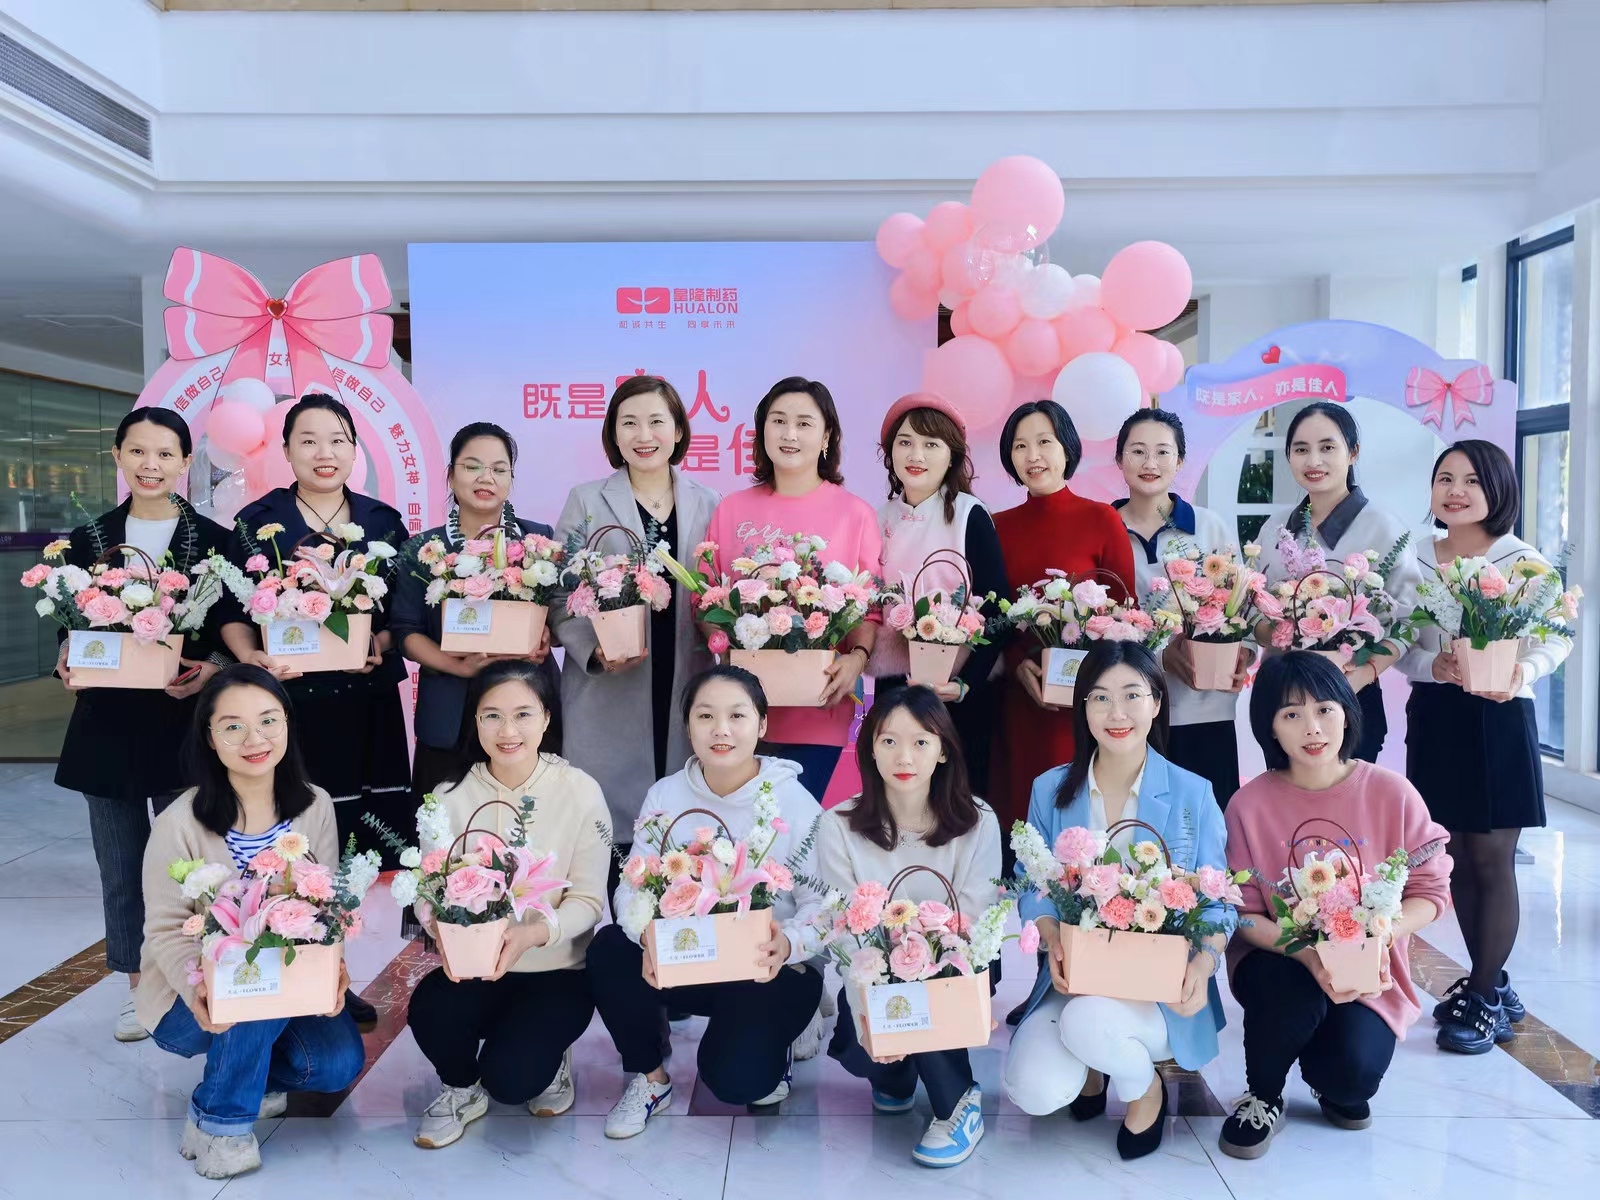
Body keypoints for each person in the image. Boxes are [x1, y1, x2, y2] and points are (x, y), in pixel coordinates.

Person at [1004, 641, 1233, 1161]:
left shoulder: (1192, 792)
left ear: (1157, 703)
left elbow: (1218, 902)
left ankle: (1141, 1087)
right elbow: (1031, 883)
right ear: (1082, 707)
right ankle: (1092, 1065)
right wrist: (1050, 934)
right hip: (1078, 976)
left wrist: (1203, 964)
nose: (1117, 713)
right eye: (1101, 698)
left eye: (1133, 695)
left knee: (1085, 1022)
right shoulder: (1050, 790)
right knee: (1033, 1090)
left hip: (1160, 989)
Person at [135, 665, 364, 1180]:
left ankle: (241, 1077)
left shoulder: (315, 806)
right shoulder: (179, 823)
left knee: (335, 1064)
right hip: (188, 997)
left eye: (268, 720)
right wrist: (201, 990)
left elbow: (327, 907)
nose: (254, 739)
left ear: (287, 723)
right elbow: (165, 929)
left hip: (286, 982)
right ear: (209, 737)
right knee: (248, 970)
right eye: (233, 726)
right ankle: (223, 1126)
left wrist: (336, 969)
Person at [1218, 652, 1451, 1159]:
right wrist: (1307, 954)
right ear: (1270, 727)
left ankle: (1327, 1074)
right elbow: (1241, 913)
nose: (1313, 728)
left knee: (1352, 1081)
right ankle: (1263, 1095)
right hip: (1279, 957)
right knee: (1291, 1001)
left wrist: (1386, 930)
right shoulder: (1248, 805)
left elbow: (1431, 893)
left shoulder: (1392, 793)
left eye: (1324, 709)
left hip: (1365, 970)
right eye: (1291, 714)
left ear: (1347, 712)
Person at [52, 407, 233, 1043]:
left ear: (185, 462)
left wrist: (213, 668)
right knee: (121, 864)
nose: (150, 465)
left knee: (194, 864)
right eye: (137, 452)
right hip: (106, 725)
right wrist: (66, 656)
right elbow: (67, 622)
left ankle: (201, 979)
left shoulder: (215, 540)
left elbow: (236, 628)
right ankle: (137, 988)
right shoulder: (86, 540)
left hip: (187, 723)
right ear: (117, 456)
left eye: (164, 454)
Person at [587, 665, 825, 1136]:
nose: (721, 730)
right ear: (688, 725)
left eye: (737, 715)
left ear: (762, 724)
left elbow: (824, 906)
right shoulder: (666, 794)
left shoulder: (794, 802)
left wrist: (789, 944)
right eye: (705, 716)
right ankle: (650, 1077)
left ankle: (775, 1043)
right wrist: (646, 935)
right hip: (689, 959)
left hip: (765, 971)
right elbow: (631, 886)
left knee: (737, 1082)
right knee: (609, 948)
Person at [1400, 441, 1570, 1053]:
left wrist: (1525, 671)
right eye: (1444, 478)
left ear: (1499, 489)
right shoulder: (1415, 557)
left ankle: (1484, 996)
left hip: (1501, 715)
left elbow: (1558, 637)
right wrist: (1432, 665)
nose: (1456, 491)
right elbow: (1398, 642)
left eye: (1472, 480)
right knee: (1455, 858)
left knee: (1492, 858)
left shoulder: (1522, 561)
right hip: (1438, 717)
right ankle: (1490, 983)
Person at [408, 661, 611, 1149]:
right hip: (474, 969)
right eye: (492, 716)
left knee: (513, 1081)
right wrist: (436, 926)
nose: (508, 731)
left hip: (556, 971)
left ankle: (551, 1056)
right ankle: (461, 1088)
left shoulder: (580, 791)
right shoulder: (448, 796)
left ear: (546, 718)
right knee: (429, 1008)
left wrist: (535, 933)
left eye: (523, 714)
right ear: (474, 721)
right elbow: (425, 890)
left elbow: (588, 901)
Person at [219, 393, 412, 865]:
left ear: (354, 450)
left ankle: (374, 912)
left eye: (338, 441)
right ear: (286, 450)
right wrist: (250, 657)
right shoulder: (257, 521)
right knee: (295, 841)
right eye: (308, 441)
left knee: (375, 841)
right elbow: (230, 611)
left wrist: (379, 643)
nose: (325, 453)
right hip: (288, 702)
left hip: (367, 700)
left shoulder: (383, 523)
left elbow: (405, 612)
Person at [818, 685, 1000, 1168]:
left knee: (929, 996)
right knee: (868, 1051)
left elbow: (976, 918)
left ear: (943, 750)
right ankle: (896, 1075)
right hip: (875, 973)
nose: (904, 757)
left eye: (921, 742)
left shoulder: (978, 820)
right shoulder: (838, 825)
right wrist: (869, 1017)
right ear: (870, 748)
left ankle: (959, 1105)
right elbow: (847, 932)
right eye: (889, 741)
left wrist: (926, 963)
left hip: (955, 965)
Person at [550, 377, 719, 879]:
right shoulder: (586, 500)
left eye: (656, 421)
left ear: (678, 430)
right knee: (608, 841)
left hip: (686, 678)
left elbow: (719, 591)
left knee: (684, 841)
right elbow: (558, 593)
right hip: (608, 685)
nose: (644, 435)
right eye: (629, 423)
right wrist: (592, 651)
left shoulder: (709, 501)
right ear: (614, 434)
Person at [702, 377, 883, 798]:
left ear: (827, 436)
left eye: (804, 423)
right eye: (778, 421)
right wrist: (721, 646)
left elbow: (869, 608)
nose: (789, 434)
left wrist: (856, 660)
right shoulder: (731, 509)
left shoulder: (855, 514)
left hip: (819, 708)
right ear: (762, 430)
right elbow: (705, 597)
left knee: (793, 824)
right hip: (739, 713)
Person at [392, 422, 558, 801]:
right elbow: (405, 631)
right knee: (442, 822)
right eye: (472, 466)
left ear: (510, 479)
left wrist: (548, 633)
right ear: (451, 476)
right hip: (449, 711)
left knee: (531, 819)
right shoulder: (422, 548)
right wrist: (457, 666)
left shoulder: (538, 540)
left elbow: (559, 612)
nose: (486, 478)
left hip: (527, 706)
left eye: (499, 469)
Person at [992, 399, 1137, 832]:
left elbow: (1126, 615)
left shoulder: (1102, 518)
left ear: (1067, 448)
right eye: (1020, 446)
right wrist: (1016, 665)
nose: (1033, 456)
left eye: (1044, 442)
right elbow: (989, 614)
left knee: (1083, 825)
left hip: (1087, 704)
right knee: (1021, 821)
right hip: (1018, 701)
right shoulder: (996, 525)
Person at [1255, 402, 1421, 762]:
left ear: (1353, 453)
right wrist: (1279, 631)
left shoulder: (1383, 527)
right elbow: (1255, 611)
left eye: (1328, 447)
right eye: (1301, 449)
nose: (1314, 460)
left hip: (1352, 695)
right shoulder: (1275, 528)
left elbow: (1409, 622)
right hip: (1282, 699)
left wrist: (1363, 674)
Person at [1110, 409, 1250, 807]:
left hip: (1204, 710)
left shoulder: (1209, 526)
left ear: (1180, 461)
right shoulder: (1102, 528)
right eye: (1138, 451)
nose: (1150, 463)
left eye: (1162, 452)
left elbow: (1240, 607)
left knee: (1206, 825)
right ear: (1119, 460)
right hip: (1126, 714)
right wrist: (1159, 656)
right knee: (1137, 824)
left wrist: (1243, 653)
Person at [867, 393, 1007, 786]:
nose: (916, 455)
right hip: (895, 685)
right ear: (890, 452)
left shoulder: (968, 514)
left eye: (931, 444)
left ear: (952, 456)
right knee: (896, 794)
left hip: (959, 691)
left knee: (958, 797)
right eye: (905, 442)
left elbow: (999, 608)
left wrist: (965, 684)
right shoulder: (879, 518)